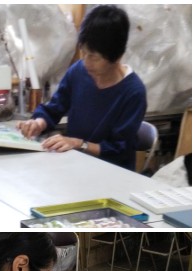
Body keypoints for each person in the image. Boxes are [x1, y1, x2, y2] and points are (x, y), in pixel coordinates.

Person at [18, 5, 147, 171]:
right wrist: (37, 124)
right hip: (76, 164)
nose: (86, 62)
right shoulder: (78, 71)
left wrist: (79, 144)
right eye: (83, 52)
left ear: (117, 56)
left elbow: (119, 149)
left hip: (112, 172)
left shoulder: (133, 92)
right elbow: (55, 108)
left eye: (93, 57)